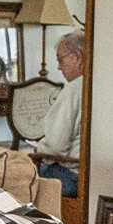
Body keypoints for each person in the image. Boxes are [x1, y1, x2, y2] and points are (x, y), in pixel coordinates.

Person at [28, 30, 87, 195]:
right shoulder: (101, 83)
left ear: (77, 57)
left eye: (60, 59)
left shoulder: (74, 89)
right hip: (97, 174)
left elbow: (56, 146)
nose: (59, 67)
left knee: (18, 178)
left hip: (71, 177)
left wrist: (38, 148)